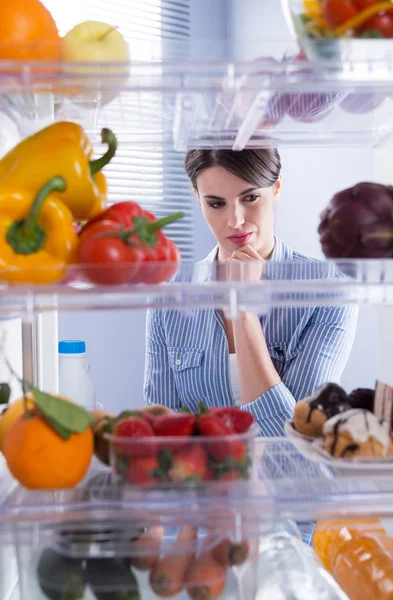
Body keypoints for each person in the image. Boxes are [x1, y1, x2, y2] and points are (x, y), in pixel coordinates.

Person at [143, 148, 358, 437]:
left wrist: (243, 310)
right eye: (216, 204)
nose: (234, 220)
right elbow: (163, 432)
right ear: (197, 197)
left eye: (250, 197)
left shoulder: (330, 289)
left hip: (293, 482)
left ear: (277, 186)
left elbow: (298, 437)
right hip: (202, 480)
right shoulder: (169, 294)